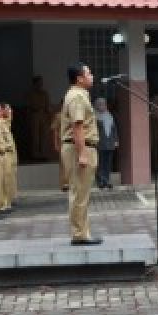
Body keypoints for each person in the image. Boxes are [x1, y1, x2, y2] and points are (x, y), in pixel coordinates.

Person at [62, 62, 101, 245]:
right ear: (79, 78)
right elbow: (77, 126)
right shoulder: (77, 96)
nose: (92, 75)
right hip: (79, 147)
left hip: (81, 146)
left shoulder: (79, 94)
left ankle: (82, 232)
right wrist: (83, 153)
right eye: (89, 73)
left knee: (82, 192)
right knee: (79, 193)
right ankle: (79, 234)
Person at [27, 76, 53, 161]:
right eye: (38, 83)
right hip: (34, 115)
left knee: (44, 135)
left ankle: (43, 154)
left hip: (43, 115)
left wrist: (49, 116)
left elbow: (48, 106)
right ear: (34, 84)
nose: (40, 85)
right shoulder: (31, 94)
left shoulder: (45, 93)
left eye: (41, 83)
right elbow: (29, 106)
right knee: (35, 136)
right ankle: (35, 155)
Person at [94, 97, 117, 189]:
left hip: (110, 143)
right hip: (100, 144)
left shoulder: (109, 115)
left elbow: (114, 129)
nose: (102, 106)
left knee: (108, 164)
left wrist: (116, 140)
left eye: (104, 104)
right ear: (96, 106)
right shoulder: (94, 117)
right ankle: (100, 181)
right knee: (100, 164)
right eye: (100, 104)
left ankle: (106, 180)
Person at [52, 109, 69, 192]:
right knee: (63, 163)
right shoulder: (59, 115)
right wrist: (55, 143)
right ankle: (64, 184)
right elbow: (55, 130)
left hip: (73, 141)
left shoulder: (74, 113)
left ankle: (71, 183)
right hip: (63, 141)